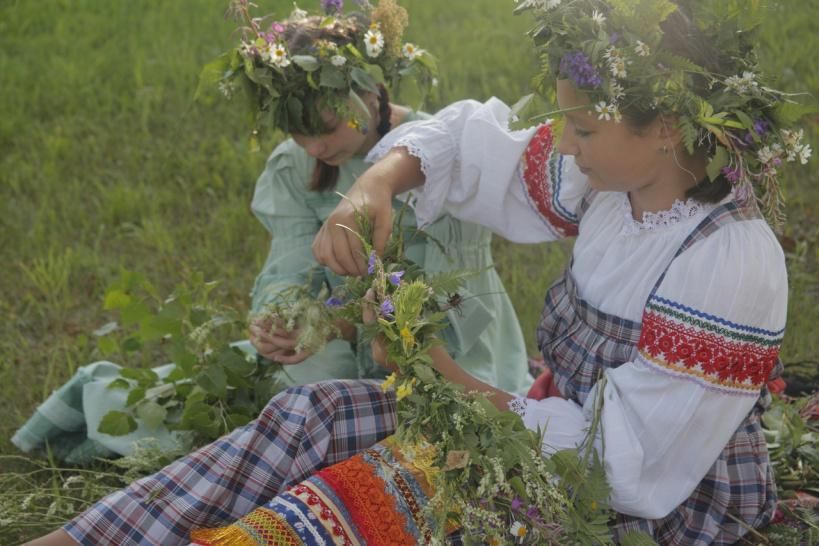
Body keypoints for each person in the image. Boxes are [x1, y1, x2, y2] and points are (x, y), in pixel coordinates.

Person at [27, 0, 810, 544]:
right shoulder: (617, 181)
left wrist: (435, 378)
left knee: (355, 498)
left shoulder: (724, 262)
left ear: (668, 129)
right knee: (311, 416)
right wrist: (369, 188)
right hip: (533, 425)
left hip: (628, 505)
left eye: (580, 126)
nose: (562, 144)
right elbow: (476, 144)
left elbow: (623, 472)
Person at [12, 1, 530, 466]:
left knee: (441, 433)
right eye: (297, 135)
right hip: (338, 341)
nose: (313, 149)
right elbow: (289, 265)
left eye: (326, 130)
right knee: (283, 388)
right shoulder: (295, 167)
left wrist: (359, 325)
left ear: (369, 95)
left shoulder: (430, 155)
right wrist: (282, 317)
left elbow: (450, 290)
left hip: (445, 344)